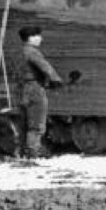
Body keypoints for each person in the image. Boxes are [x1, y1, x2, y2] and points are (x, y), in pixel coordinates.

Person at [18, 25, 64, 158]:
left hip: (21, 89)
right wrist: (56, 80)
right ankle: (33, 152)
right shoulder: (32, 52)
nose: (41, 38)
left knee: (25, 123)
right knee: (37, 123)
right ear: (30, 38)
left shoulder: (19, 52)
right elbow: (45, 66)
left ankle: (22, 151)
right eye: (37, 36)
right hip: (35, 88)